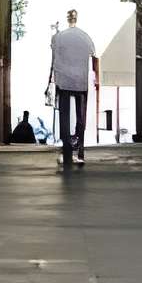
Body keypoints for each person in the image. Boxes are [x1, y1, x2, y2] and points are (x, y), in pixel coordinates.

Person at [47, 10, 100, 171]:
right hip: (81, 81)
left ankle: (67, 149)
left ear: (67, 19)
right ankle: (80, 149)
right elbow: (93, 55)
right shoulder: (85, 37)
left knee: (64, 115)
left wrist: (50, 79)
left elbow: (54, 60)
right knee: (80, 115)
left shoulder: (59, 37)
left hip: (63, 80)